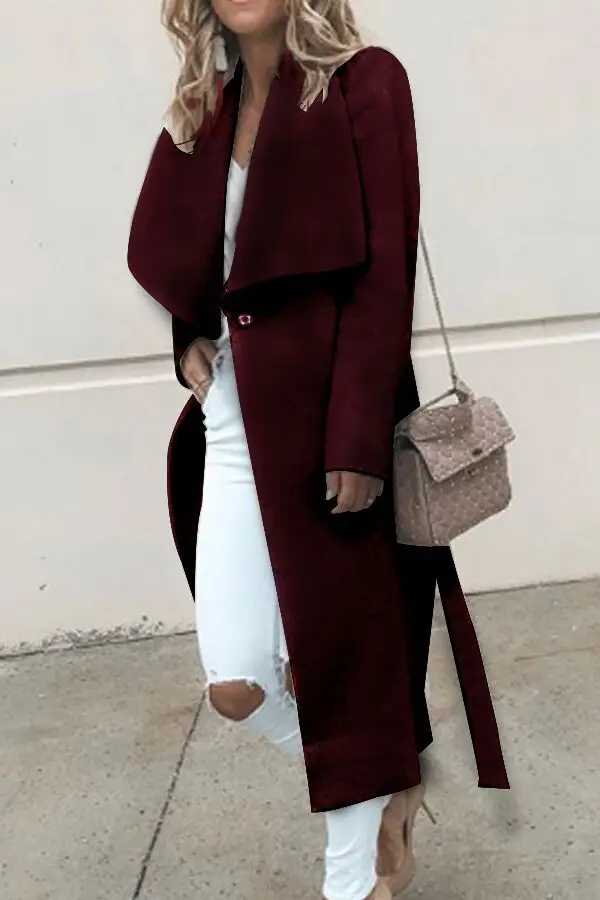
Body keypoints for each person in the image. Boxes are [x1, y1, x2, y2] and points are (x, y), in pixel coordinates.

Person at [127, 2, 509, 898]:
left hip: (330, 429)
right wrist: (187, 332)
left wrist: (357, 438)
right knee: (236, 683)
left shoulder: (367, 83)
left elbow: (384, 275)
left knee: (334, 667)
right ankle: (385, 776)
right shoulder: (209, 101)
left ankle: (355, 880)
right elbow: (189, 253)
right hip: (233, 429)